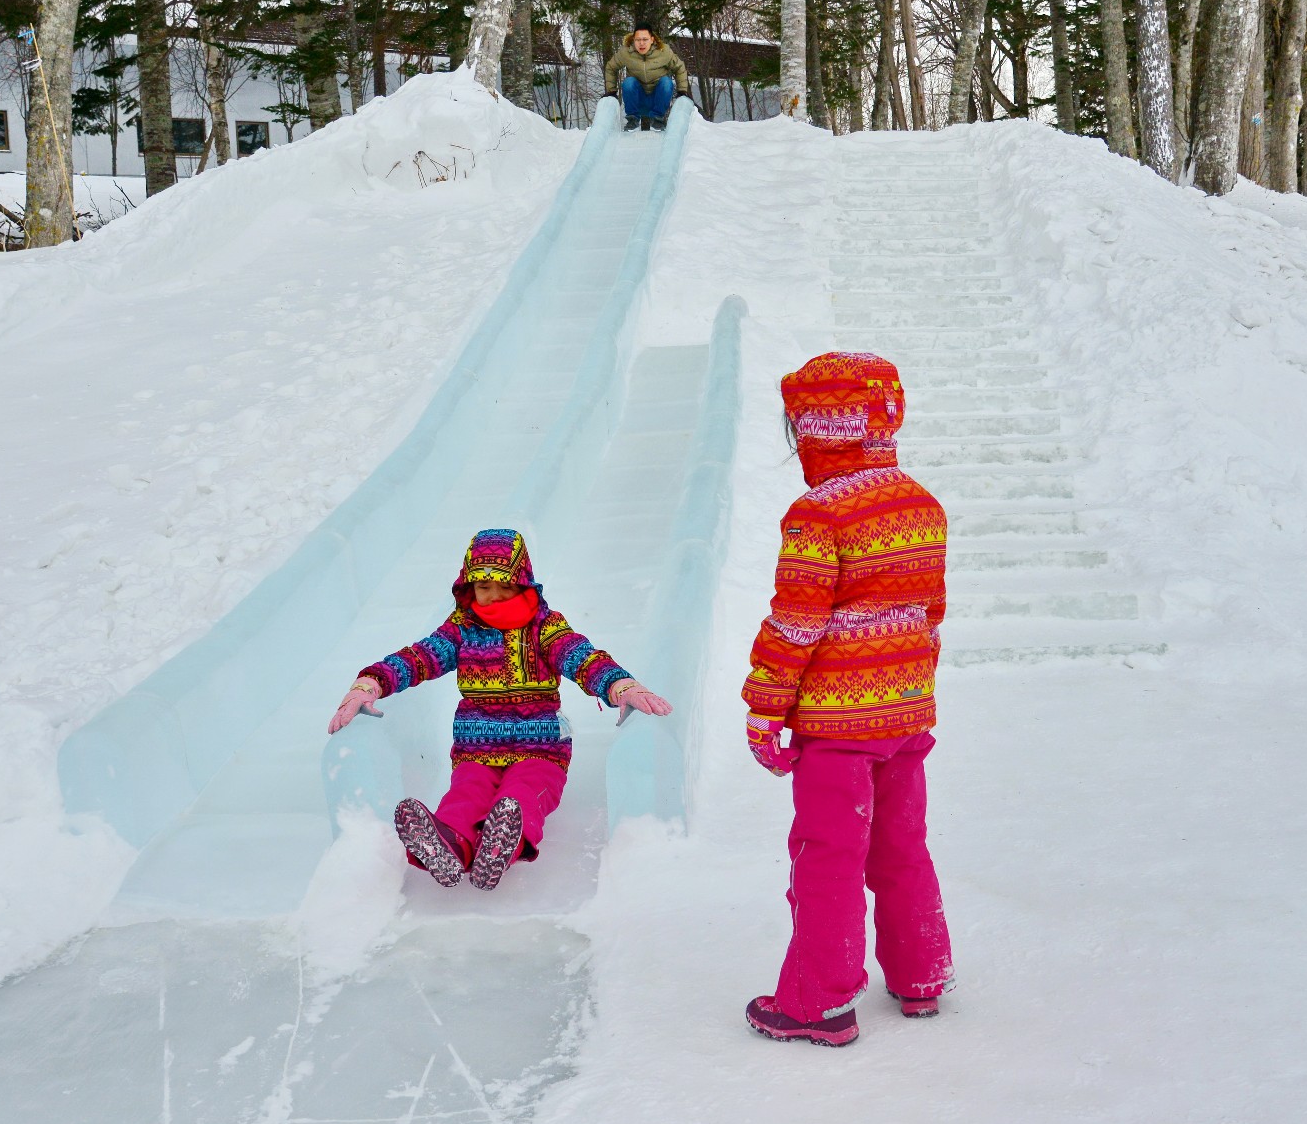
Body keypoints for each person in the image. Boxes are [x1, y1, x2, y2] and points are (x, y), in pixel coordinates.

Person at [739, 353, 953, 1047]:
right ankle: (921, 974)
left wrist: (766, 705)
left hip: (837, 728)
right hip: (906, 717)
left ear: (819, 430)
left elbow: (797, 622)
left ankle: (817, 1001)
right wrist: (910, 688)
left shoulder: (818, 514)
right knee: (901, 846)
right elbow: (931, 611)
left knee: (828, 853)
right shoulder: (920, 504)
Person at [329, 528, 672, 890]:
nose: (492, 596)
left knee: (522, 794)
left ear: (522, 583)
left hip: (540, 747)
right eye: (483, 587)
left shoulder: (544, 626)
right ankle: (449, 845)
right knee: (466, 793)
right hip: (476, 748)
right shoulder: (461, 629)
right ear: (468, 588)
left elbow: (581, 657)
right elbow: (418, 658)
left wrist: (620, 685)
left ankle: (500, 846)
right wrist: (369, 683)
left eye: (504, 586)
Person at [605, 25, 689, 131]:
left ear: (652, 39)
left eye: (645, 39)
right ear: (633, 40)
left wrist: (682, 91)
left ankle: (658, 121)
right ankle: (632, 120)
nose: (641, 43)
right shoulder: (626, 53)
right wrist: (611, 91)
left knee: (666, 82)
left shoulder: (664, 51)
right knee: (628, 82)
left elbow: (679, 67)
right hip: (638, 100)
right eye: (638, 40)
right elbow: (611, 67)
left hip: (657, 99)